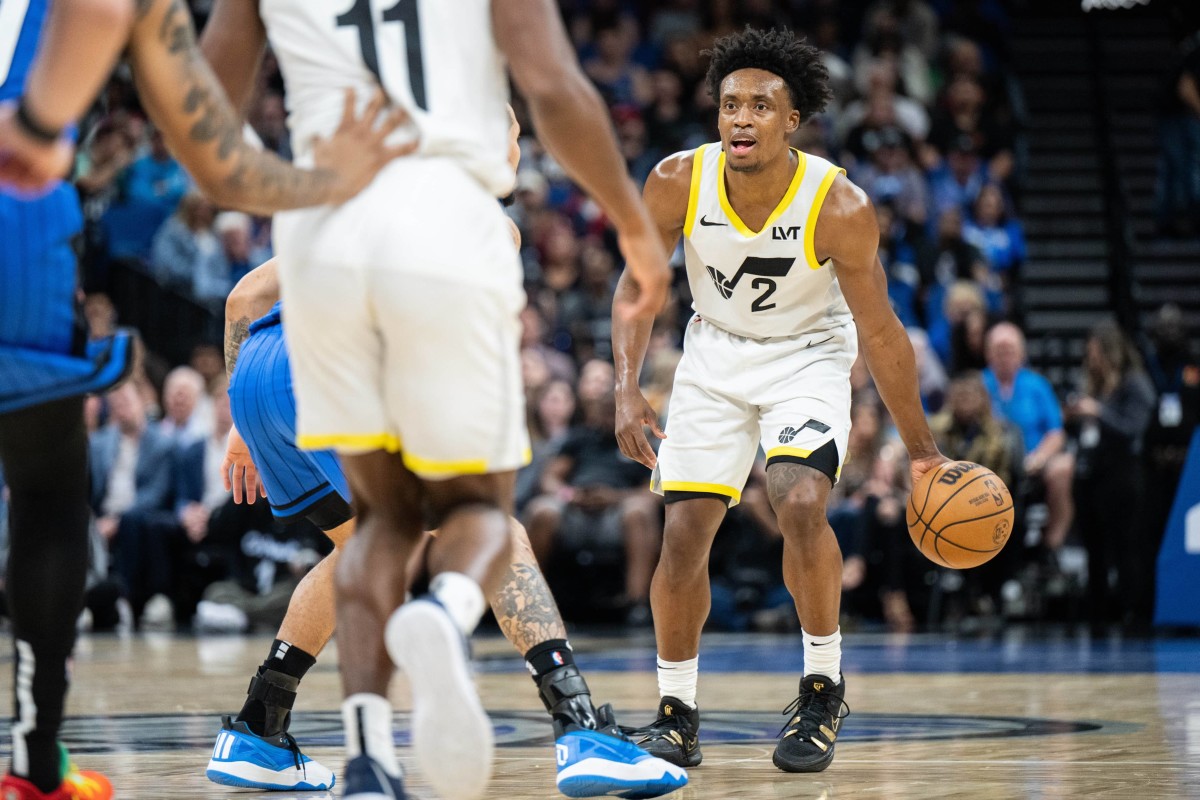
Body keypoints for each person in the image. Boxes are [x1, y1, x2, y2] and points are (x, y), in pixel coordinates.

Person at [200, 1, 673, 798]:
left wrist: (245, 427)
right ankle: (577, 724)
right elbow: (558, 87)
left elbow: (245, 296)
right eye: (513, 135)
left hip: (269, 370)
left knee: (366, 544)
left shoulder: (340, 179)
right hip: (411, 293)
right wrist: (632, 228)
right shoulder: (491, 217)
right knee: (489, 522)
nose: (517, 146)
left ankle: (265, 730)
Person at [0, 0, 406, 797]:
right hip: (22, 200)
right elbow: (214, 156)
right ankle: (35, 760)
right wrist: (42, 128)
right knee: (47, 494)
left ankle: (254, 725)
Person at [612, 28, 947, 775]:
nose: (740, 116)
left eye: (761, 105)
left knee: (797, 500)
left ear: (793, 121)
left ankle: (823, 687)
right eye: (730, 102)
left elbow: (883, 332)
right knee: (683, 532)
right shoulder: (674, 181)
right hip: (715, 352)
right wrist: (625, 386)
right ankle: (676, 713)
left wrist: (923, 453)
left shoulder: (839, 204)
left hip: (809, 354)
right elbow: (639, 287)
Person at [980, 323, 1070, 553]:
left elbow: (1056, 433)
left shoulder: (1037, 385)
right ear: (988, 353)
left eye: (1009, 350)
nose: (1004, 356)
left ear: (1021, 353)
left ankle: (1050, 545)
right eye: (999, 351)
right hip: (990, 465)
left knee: (1063, 467)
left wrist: (1039, 458)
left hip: (1033, 463)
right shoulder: (979, 384)